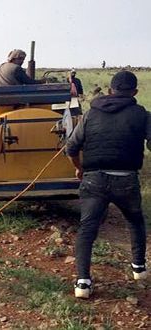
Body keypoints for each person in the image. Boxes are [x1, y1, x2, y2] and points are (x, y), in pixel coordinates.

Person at [66, 70, 149, 299]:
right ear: (135, 92)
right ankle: (138, 268)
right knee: (135, 221)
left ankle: (83, 283)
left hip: (94, 180)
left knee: (87, 229)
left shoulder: (90, 114)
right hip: (127, 179)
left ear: (110, 90)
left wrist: (80, 168)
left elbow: (71, 147)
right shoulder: (142, 114)